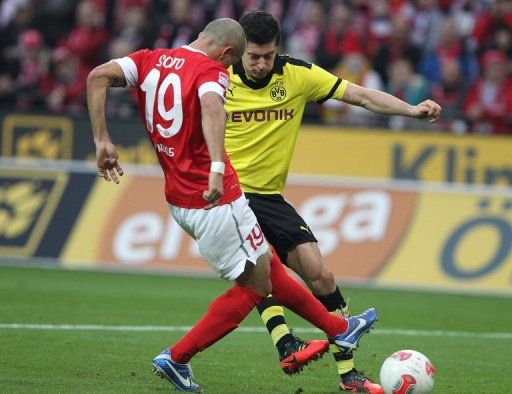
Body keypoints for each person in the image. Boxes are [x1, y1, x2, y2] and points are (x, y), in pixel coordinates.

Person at [86, 17, 378, 392]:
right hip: (215, 198)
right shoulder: (211, 71)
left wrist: (101, 141)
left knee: (269, 266)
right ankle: (177, 358)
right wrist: (217, 168)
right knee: (255, 287)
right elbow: (212, 108)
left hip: (180, 198)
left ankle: (341, 328)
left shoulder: (149, 59)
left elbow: (96, 76)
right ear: (227, 53)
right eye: (233, 61)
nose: (232, 69)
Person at [224, 11, 442, 393]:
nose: (261, 64)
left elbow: (358, 94)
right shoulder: (215, 77)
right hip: (228, 194)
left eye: (268, 56)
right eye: (253, 56)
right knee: (260, 271)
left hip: (269, 196)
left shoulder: (297, 75)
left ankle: (346, 373)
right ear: (239, 50)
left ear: (278, 50)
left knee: (320, 274)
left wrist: (410, 109)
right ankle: (286, 343)